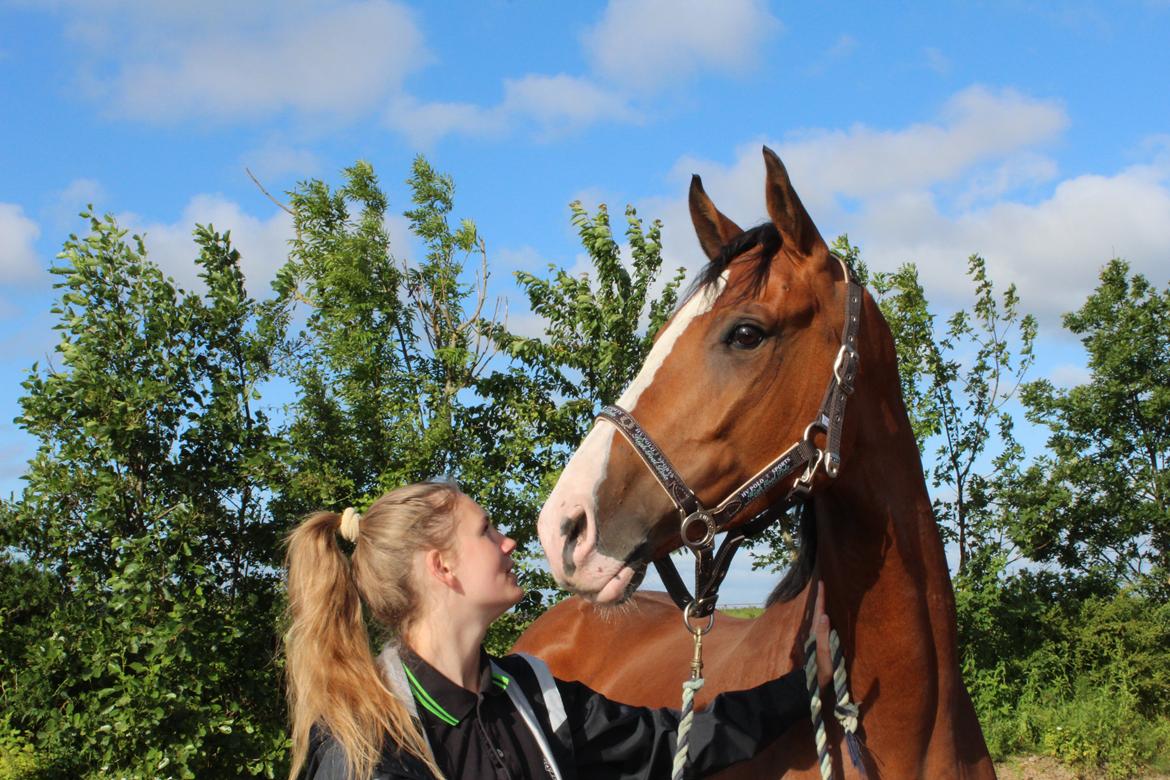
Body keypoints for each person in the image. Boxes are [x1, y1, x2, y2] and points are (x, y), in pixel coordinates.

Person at [284, 481, 833, 780]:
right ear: (442, 567)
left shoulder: (530, 692)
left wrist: (808, 684)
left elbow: (674, 744)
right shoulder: (366, 742)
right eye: (486, 531)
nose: (508, 542)